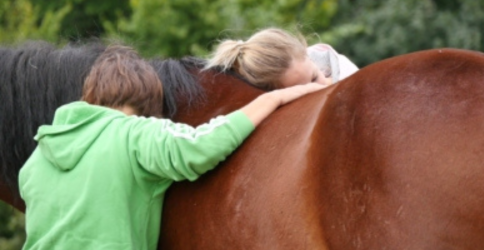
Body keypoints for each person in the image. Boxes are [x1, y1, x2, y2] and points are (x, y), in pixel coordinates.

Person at [18, 44, 325, 250]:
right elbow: (201, 147)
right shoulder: (134, 134)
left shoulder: (37, 158)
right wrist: (272, 98)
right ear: (150, 100)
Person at [205, 28, 358, 89]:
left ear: (308, 56)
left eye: (314, 77)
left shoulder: (349, 75)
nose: (319, 87)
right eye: (303, 91)